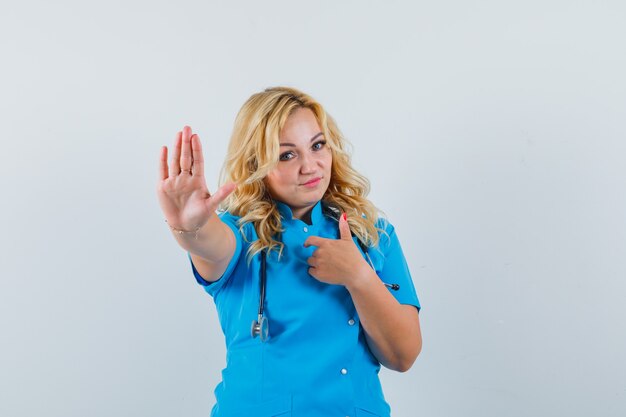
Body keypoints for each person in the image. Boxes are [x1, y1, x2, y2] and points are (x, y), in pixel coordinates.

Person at [156, 86, 422, 417]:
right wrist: (190, 226)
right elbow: (208, 244)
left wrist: (359, 275)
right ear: (257, 164)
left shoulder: (373, 234)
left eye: (317, 145)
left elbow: (403, 355)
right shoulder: (241, 233)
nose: (310, 166)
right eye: (287, 155)